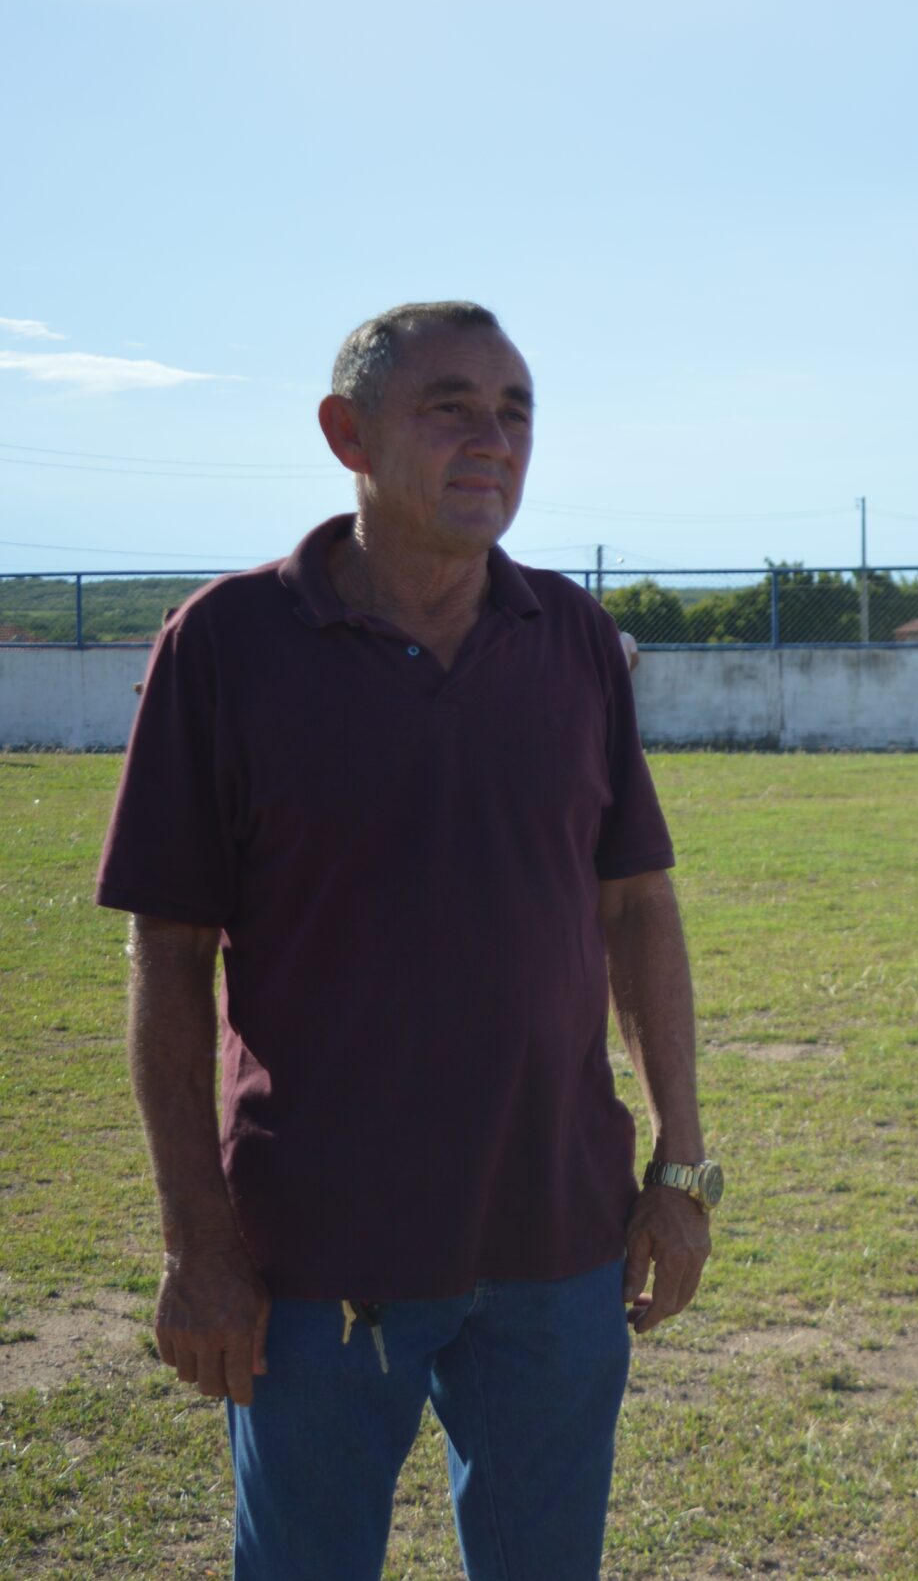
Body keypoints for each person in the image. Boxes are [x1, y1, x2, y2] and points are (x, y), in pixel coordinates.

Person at [97, 301, 717, 1581]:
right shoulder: (227, 645)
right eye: (451, 408)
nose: (494, 439)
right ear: (349, 436)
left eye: (516, 411)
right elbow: (171, 956)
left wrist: (682, 1166)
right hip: (320, 1254)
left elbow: (636, 905)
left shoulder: (572, 638)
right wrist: (198, 1242)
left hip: (560, 1239)